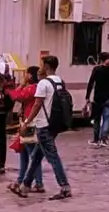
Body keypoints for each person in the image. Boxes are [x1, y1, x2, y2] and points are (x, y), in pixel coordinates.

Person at [10, 54, 72, 200]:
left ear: (47, 67)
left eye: (42, 65)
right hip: (55, 124)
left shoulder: (44, 83)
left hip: (43, 125)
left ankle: (65, 187)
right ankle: (25, 186)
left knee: (53, 157)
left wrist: (26, 123)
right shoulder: (59, 81)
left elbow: (37, 105)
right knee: (36, 157)